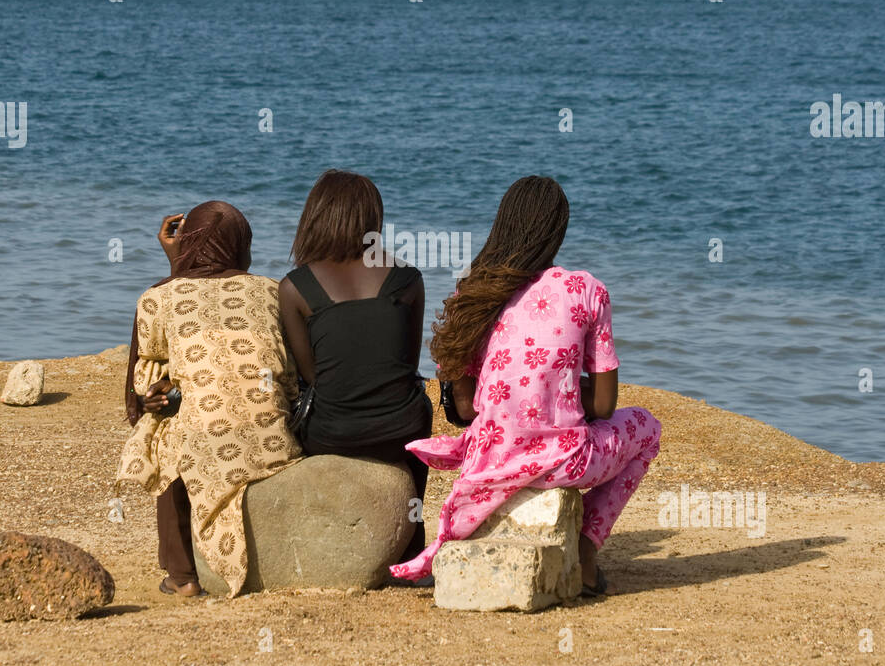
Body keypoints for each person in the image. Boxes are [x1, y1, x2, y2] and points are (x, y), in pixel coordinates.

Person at [389, 176, 661, 595]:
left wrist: (528, 391)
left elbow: (464, 411)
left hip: (491, 458)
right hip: (564, 460)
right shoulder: (585, 289)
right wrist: (558, 391)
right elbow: (606, 405)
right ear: (558, 231)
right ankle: (586, 550)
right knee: (648, 429)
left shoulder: (472, 290)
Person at [117, 201, 303, 598]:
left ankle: (182, 576)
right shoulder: (273, 290)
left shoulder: (158, 297)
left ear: (183, 245)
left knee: (164, 422)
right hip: (276, 441)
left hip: (204, 446)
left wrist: (176, 267)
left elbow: (142, 382)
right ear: (242, 246)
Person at [279, 170, 433, 559]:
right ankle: (411, 544)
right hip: (400, 429)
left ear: (315, 217)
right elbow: (405, 367)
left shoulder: (295, 287)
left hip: (331, 432)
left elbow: (311, 376)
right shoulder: (407, 279)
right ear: (372, 220)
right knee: (420, 401)